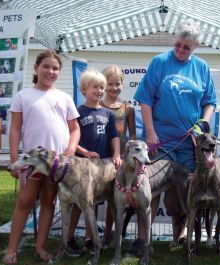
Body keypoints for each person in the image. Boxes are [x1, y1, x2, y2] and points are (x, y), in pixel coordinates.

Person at [133, 18, 217, 251]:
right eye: (178, 45)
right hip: (159, 142)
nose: (180, 50)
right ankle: (144, 239)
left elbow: (209, 102)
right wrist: (150, 133)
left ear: (196, 47)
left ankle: (180, 236)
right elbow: (145, 99)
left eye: (186, 47)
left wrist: (201, 125)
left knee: (186, 191)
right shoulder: (159, 62)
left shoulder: (202, 68)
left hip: (189, 144)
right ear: (174, 40)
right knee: (149, 190)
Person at [2, 50, 80, 264]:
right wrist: (14, 159)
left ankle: (40, 247)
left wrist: (71, 150)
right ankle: (11, 250)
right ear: (36, 69)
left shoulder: (64, 98)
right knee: (25, 202)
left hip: (57, 165)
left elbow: (75, 129)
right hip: (32, 163)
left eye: (55, 68)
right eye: (46, 66)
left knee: (48, 201)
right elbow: (15, 129)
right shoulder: (23, 96)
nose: (51, 71)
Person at [65, 69, 122, 256]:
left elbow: (114, 137)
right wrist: (84, 152)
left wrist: (117, 154)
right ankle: (69, 238)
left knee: (94, 204)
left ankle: (90, 239)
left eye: (101, 87)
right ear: (83, 89)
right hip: (81, 167)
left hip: (102, 167)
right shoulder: (77, 112)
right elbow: (71, 137)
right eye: (94, 87)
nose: (99, 91)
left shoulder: (108, 114)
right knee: (77, 204)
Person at [100, 65, 136, 246]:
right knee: (99, 198)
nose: (114, 87)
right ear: (104, 85)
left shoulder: (128, 108)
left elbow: (133, 137)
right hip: (100, 159)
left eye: (118, 83)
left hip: (119, 161)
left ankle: (112, 234)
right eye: (110, 84)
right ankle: (93, 236)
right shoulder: (97, 105)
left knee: (115, 200)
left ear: (123, 83)